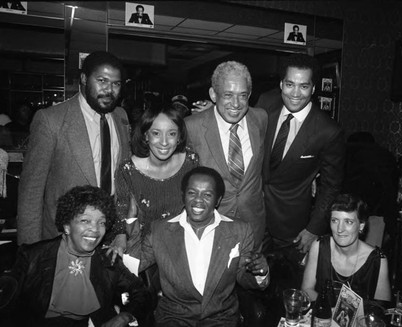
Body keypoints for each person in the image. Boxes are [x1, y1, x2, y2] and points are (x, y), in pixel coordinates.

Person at [127, 167, 269, 326]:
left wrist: (260, 272)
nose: (198, 200)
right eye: (192, 193)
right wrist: (131, 224)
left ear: (218, 200)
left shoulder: (240, 230)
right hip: (174, 318)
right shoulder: (160, 231)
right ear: (183, 195)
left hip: (221, 318)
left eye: (207, 194)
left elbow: (245, 278)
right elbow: (132, 268)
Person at [17, 51, 132, 245]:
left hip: (109, 236)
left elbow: (124, 180)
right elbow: (31, 191)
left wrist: (122, 229)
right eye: (102, 80)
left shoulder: (121, 117)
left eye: (116, 84)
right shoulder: (51, 120)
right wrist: (30, 251)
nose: (109, 90)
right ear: (84, 79)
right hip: (63, 238)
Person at [8, 185, 151, 326]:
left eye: (101, 222)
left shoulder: (108, 260)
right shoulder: (33, 256)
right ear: (66, 226)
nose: (95, 229)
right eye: (85, 220)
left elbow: (141, 293)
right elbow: (4, 307)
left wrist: (126, 316)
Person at [261, 53, 345, 288]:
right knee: (252, 285)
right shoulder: (266, 103)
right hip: (254, 217)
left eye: (303, 86)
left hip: (293, 228)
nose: (295, 93)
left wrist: (313, 229)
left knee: (290, 289)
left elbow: (331, 185)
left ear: (313, 88)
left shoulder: (328, 131)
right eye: (289, 84)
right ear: (281, 84)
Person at [185, 61, 268, 248]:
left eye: (243, 96)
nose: (236, 104)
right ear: (213, 95)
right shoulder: (192, 127)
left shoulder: (261, 119)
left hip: (253, 226)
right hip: (210, 228)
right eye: (228, 95)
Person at [108, 104, 198, 253]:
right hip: (143, 250)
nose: (164, 142)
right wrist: (120, 236)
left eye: (171, 134)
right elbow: (121, 210)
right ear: (145, 136)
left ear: (179, 137)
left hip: (182, 248)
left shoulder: (191, 163)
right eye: (156, 133)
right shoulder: (128, 171)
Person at [302, 193, 391, 302]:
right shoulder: (319, 246)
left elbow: (381, 307)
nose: (340, 229)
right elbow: (306, 289)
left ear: (361, 226)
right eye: (335, 220)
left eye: (348, 222)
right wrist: (332, 311)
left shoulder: (377, 260)